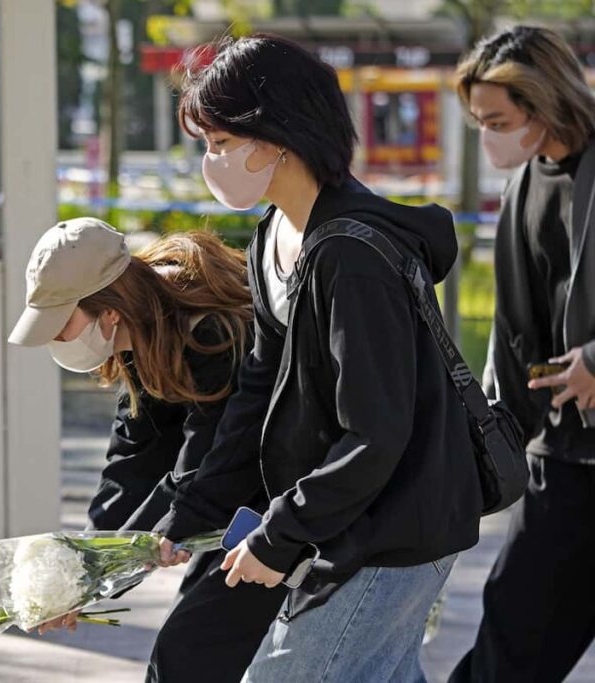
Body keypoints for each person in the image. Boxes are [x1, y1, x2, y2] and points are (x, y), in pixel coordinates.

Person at [151, 34, 484, 681]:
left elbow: (376, 433)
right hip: (352, 520)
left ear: (276, 137)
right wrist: (191, 509)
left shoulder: (349, 257)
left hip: (395, 527)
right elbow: (256, 393)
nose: (209, 161)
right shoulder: (274, 236)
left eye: (219, 143)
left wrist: (279, 536)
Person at [6, 217, 285, 681]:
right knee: (191, 650)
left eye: (61, 323)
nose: (56, 339)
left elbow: (207, 458)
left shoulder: (210, 329)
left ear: (109, 309)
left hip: (295, 506)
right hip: (240, 507)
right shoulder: (141, 329)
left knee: (189, 652)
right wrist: (84, 564)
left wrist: (155, 538)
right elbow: (135, 457)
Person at [449, 26, 595, 683]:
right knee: (507, 648)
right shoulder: (525, 188)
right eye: (479, 121)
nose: (488, 136)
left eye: (499, 120)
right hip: (562, 460)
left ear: (545, 102)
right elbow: (515, 340)